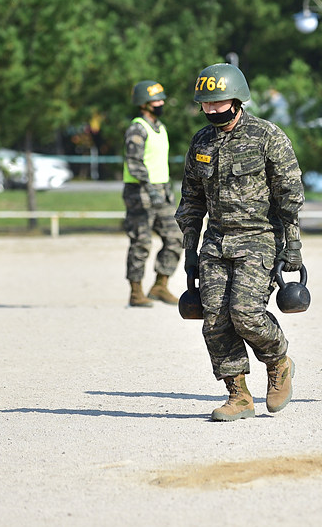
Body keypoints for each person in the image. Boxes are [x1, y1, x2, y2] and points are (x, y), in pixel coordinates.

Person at [175, 63, 304, 421]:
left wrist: (293, 246)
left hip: (259, 240)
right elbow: (191, 201)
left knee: (245, 314)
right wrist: (189, 250)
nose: (213, 110)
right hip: (215, 243)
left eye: (220, 103)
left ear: (237, 99)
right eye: (207, 104)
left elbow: (290, 196)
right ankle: (239, 395)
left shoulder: (268, 137)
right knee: (214, 320)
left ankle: (278, 361)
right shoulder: (200, 142)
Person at [123, 80, 182, 307]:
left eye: (161, 99)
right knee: (141, 242)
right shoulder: (137, 128)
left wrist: (166, 192)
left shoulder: (160, 127)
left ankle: (160, 284)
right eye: (156, 100)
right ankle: (136, 292)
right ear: (143, 104)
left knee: (175, 238)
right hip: (140, 192)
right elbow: (134, 163)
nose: (161, 103)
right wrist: (149, 188)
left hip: (162, 193)